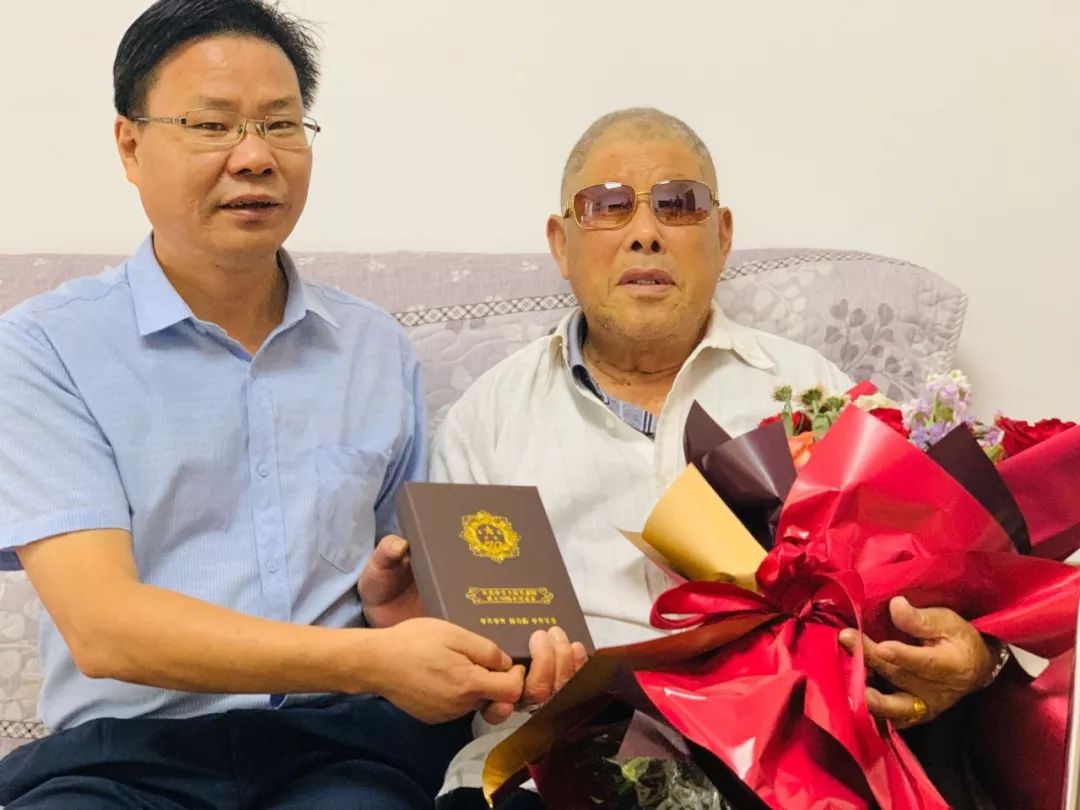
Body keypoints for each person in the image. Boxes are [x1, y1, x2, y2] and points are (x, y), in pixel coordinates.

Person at [364, 107, 1009, 808]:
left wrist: (977, 656)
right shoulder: (486, 420)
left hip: (782, 765)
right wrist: (462, 651)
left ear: (722, 235)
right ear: (561, 243)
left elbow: (918, 588)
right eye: (608, 206)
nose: (645, 232)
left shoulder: (816, 394)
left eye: (678, 204)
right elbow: (459, 650)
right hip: (547, 764)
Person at [0, 2, 538, 807]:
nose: (254, 156)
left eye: (281, 124)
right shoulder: (44, 347)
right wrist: (371, 662)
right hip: (122, 760)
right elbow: (104, 626)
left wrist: (483, 651)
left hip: (338, 755)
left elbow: (405, 593)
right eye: (211, 125)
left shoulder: (374, 348)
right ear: (130, 145)